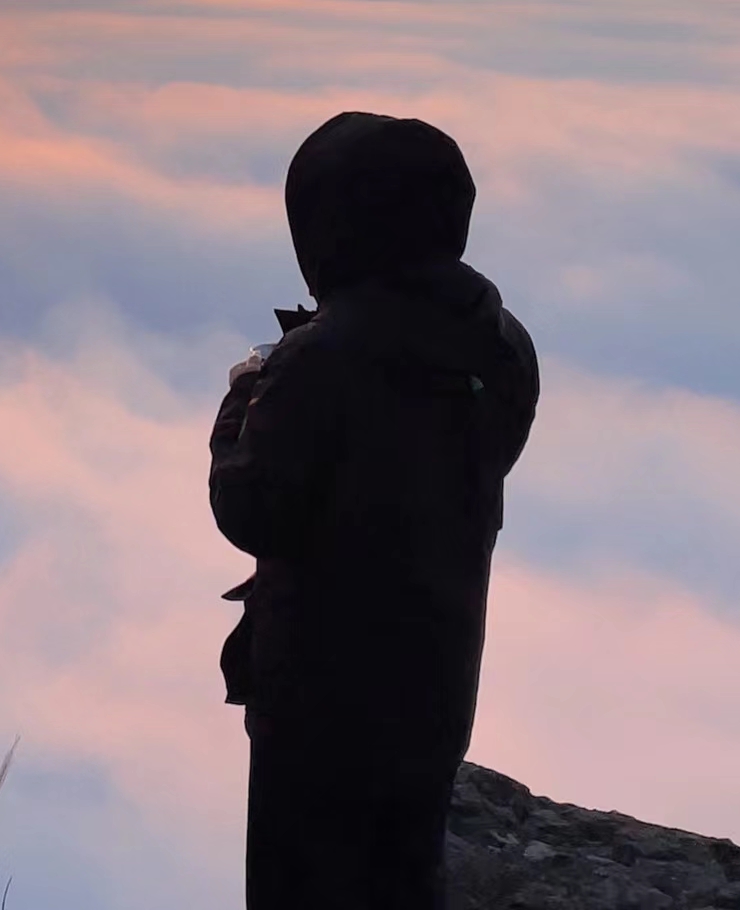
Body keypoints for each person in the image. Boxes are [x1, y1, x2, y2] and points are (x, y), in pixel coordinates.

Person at [208, 111, 540, 910]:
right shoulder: (500, 337)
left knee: (302, 880)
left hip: (317, 694)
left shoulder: (321, 361)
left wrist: (242, 398)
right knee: (403, 869)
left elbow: (250, 508)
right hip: (435, 671)